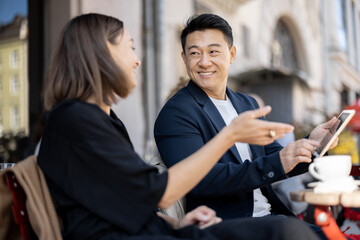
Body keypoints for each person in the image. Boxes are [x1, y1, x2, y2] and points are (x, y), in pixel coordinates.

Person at [36, 13, 319, 240]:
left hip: (158, 230)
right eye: (130, 48)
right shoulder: (75, 120)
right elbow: (158, 192)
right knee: (286, 231)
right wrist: (230, 135)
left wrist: (176, 221)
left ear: (231, 54)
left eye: (213, 51)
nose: (137, 60)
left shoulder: (100, 120)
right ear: (99, 56)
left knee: (299, 229)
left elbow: (129, 198)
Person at [154, 13, 337, 239]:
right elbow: (199, 180)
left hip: (272, 218)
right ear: (184, 58)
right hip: (224, 227)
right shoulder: (177, 112)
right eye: (194, 53)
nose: (204, 62)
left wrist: (314, 144)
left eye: (213, 51)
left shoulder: (245, 103)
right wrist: (278, 161)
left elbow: (273, 157)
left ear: (231, 55)